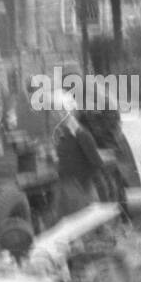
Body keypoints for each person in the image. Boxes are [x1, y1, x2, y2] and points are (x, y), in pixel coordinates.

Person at [51, 90, 105, 218]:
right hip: (67, 185)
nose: (56, 115)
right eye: (55, 112)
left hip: (81, 187)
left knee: (84, 221)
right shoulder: (63, 133)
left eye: (60, 111)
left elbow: (96, 162)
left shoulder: (81, 134)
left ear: (69, 112)